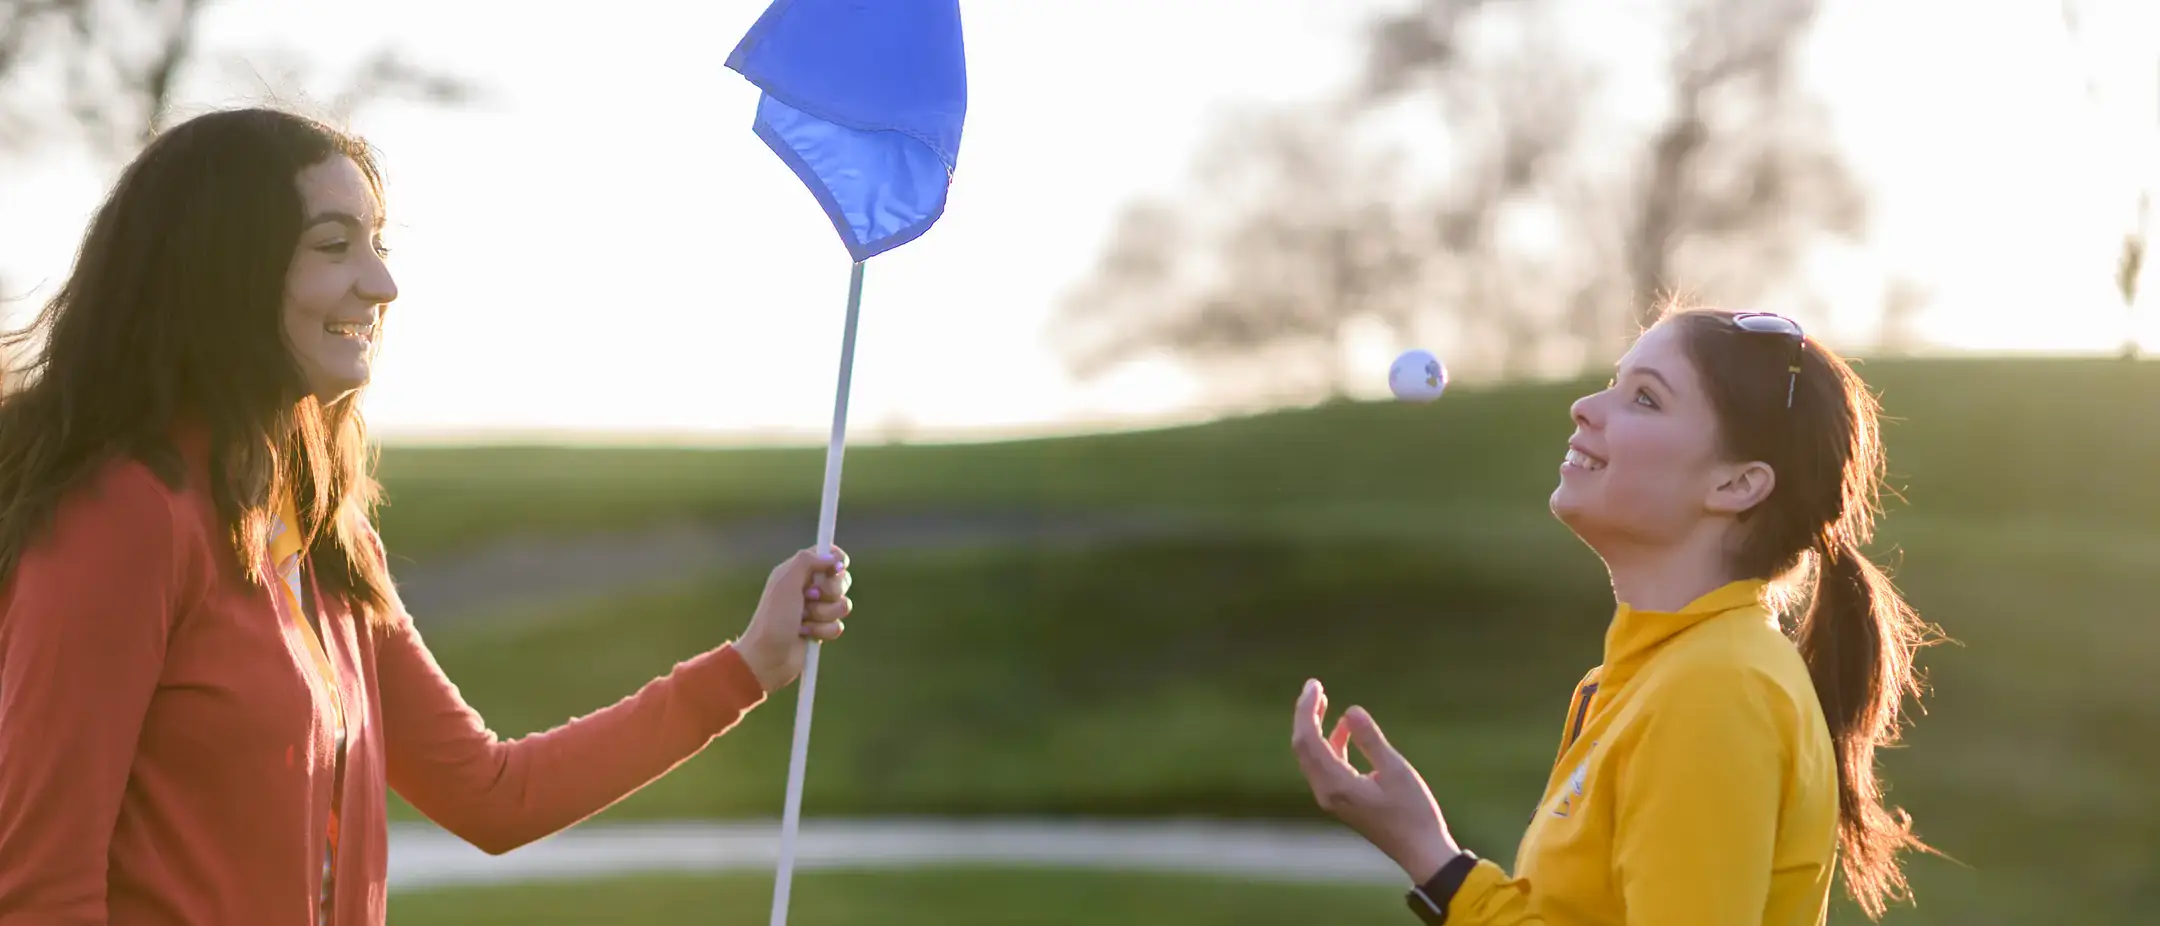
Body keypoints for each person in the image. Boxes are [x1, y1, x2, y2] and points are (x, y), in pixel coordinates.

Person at [0, 107, 856, 925]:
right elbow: (38, 892)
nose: (382, 283)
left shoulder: (325, 535)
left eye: (377, 244)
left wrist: (749, 666)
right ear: (223, 273)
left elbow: (493, 793)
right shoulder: (123, 519)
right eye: (334, 247)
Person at [1291, 304, 1942, 924]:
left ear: (1737, 484)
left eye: (1645, 398)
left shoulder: (1717, 689)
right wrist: (1428, 852)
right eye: (1614, 383)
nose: (1584, 407)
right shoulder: (1649, 677)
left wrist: (1434, 863)